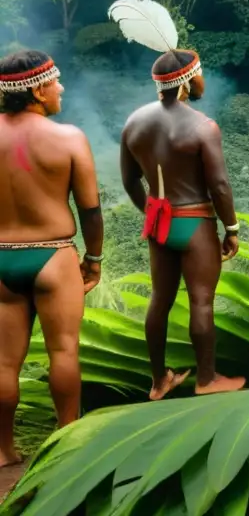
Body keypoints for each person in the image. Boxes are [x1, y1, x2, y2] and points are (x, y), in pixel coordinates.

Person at [110, 0, 244, 400]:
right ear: (186, 82)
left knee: (159, 301)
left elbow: (129, 180)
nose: (202, 82)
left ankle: (158, 381)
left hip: (160, 224)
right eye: (199, 76)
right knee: (201, 301)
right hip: (195, 222)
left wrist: (151, 214)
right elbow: (219, 186)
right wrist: (231, 228)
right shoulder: (203, 127)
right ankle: (207, 379)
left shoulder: (135, 123)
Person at [0, 50, 103, 469]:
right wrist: (93, 258)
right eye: (56, 82)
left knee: (4, 360)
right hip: (53, 255)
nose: (61, 88)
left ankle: (3, 450)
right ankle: (65, 444)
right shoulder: (69, 138)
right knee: (63, 351)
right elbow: (90, 210)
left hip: (2, 257)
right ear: (38, 91)